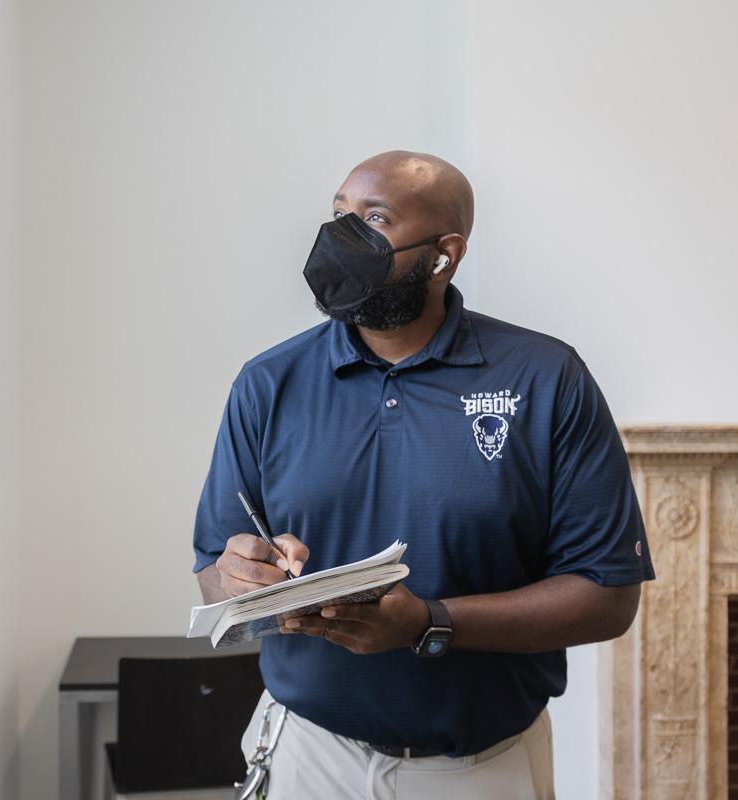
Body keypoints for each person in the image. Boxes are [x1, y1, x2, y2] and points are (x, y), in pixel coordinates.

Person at [191, 150, 655, 799]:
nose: (340, 238)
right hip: (307, 757)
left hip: (482, 769)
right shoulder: (269, 384)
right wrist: (242, 579)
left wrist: (429, 623)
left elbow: (608, 596)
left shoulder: (547, 380)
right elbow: (215, 574)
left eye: (373, 218)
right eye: (337, 214)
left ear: (445, 254)